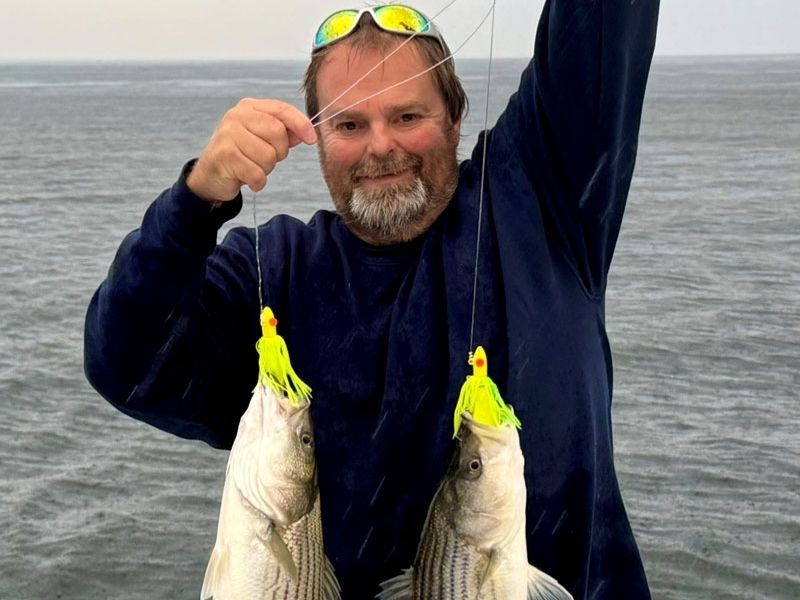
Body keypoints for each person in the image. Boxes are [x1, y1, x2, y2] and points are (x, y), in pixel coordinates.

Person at [84, 2, 660, 598]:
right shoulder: (273, 270)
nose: (380, 146)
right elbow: (124, 363)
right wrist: (196, 199)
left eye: (407, 116)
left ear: (455, 117)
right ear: (317, 136)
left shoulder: (541, 203)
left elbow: (604, 22)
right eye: (349, 125)